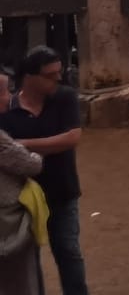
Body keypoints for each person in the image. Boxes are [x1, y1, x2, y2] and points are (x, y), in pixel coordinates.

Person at [0, 47, 84, 295]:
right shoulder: (7, 111)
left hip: (62, 189)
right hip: (25, 199)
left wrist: (18, 146)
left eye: (59, 72)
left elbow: (71, 138)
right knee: (28, 260)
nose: (57, 78)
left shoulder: (65, 97)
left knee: (69, 251)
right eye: (50, 74)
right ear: (29, 77)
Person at [0, 68, 48, 295]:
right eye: (4, 92)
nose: (9, 97)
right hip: (8, 225)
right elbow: (32, 164)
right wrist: (29, 151)